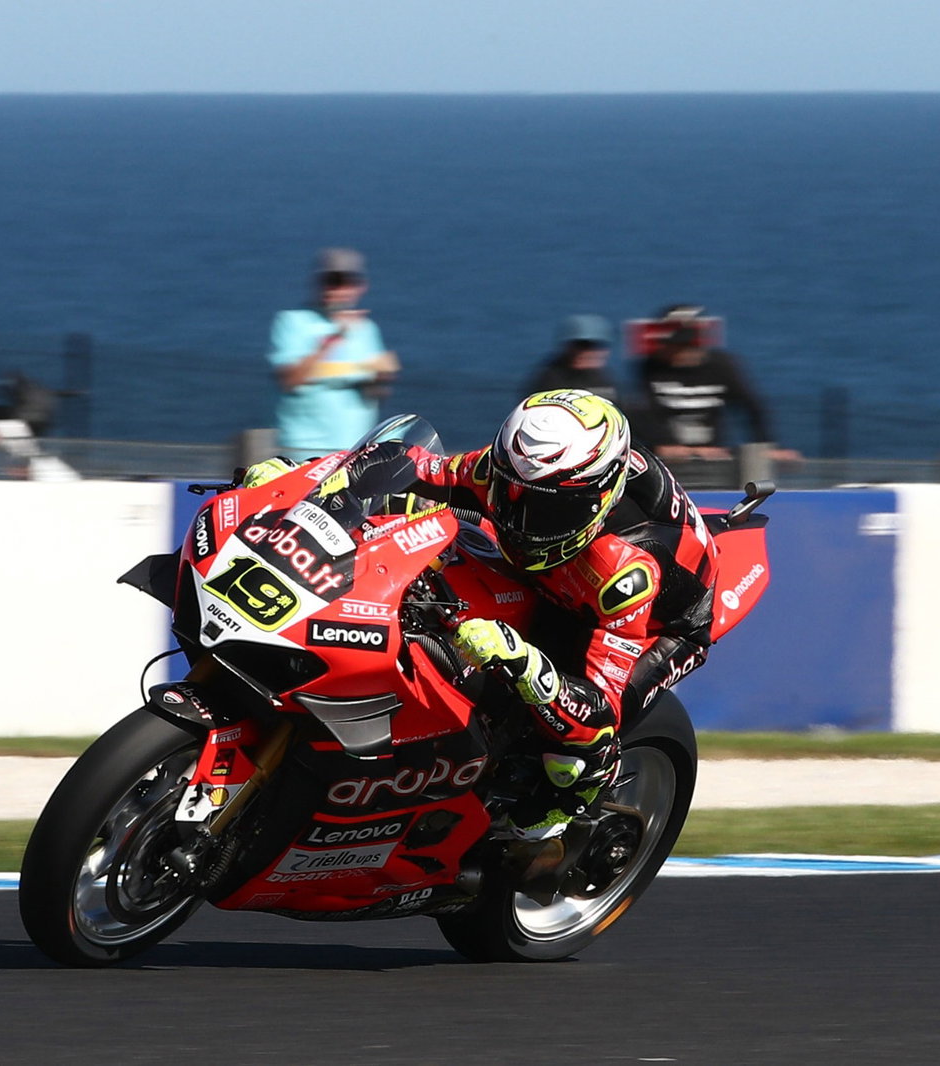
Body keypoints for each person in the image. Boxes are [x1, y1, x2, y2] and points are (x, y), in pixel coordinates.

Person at [248, 390, 718, 839]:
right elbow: (405, 464)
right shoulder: (509, 469)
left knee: (576, 749)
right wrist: (303, 477)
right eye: (510, 493)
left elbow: (599, 706)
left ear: (598, 499)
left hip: (659, 623)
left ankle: (565, 807)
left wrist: (527, 665)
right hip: (553, 574)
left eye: (546, 511)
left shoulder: (625, 574)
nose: (518, 518)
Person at [267, 248, 399, 462]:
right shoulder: (293, 323)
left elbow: (374, 393)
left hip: (354, 452)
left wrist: (382, 376)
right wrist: (332, 340)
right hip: (304, 452)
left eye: (346, 282)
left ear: (360, 286)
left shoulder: (366, 329)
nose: (337, 288)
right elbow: (290, 380)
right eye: (331, 280)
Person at [634, 304, 800, 464]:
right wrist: (665, 444)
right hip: (668, 459)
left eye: (682, 347)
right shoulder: (651, 367)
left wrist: (765, 446)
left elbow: (752, 407)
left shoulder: (721, 366)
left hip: (712, 457)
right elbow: (642, 412)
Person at [523, 314, 622, 404]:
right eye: (582, 345)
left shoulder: (604, 380)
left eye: (596, 346)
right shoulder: (550, 382)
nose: (588, 352)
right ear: (568, 348)